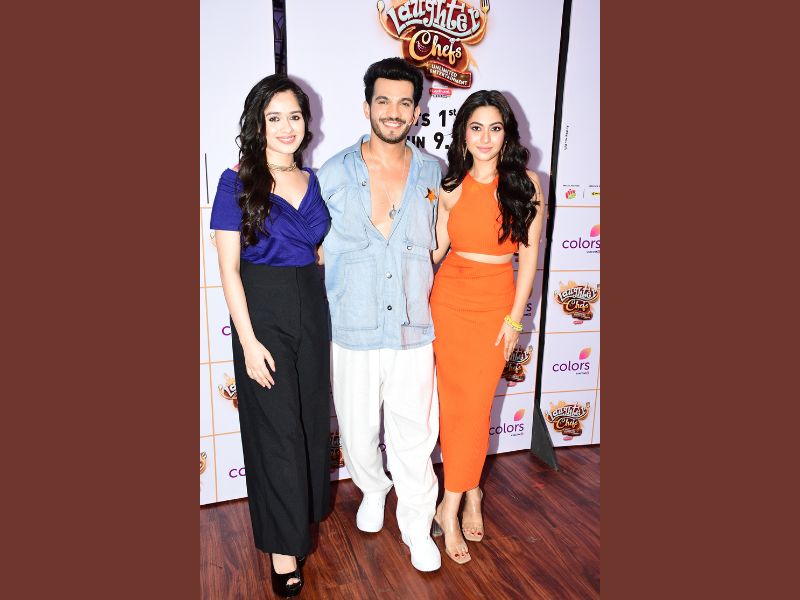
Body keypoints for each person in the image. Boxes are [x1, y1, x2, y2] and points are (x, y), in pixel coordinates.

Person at [317, 57, 442, 572]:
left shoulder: (433, 172)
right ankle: (372, 488)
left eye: (404, 103)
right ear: (366, 106)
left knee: (415, 436)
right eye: (384, 101)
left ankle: (417, 526)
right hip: (353, 327)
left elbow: (438, 242)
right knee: (358, 433)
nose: (394, 111)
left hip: (413, 329)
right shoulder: (333, 173)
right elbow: (312, 245)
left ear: (416, 111)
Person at [210, 74, 331, 597]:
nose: (286, 127)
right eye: (274, 117)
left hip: (313, 311)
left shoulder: (314, 180)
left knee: (307, 425)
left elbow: (319, 249)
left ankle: (301, 519)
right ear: (258, 124)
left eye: (295, 116)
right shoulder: (236, 181)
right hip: (263, 313)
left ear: (307, 122)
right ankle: (283, 550)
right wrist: (248, 340)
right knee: (275, 433)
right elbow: (228, 268)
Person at [430, 90, 544, 564]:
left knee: (475, 409)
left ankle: (449, 506)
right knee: (455, 410)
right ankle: (470, 491)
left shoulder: (526, 184)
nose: (484, 137)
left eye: (494, 128)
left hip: (496, 305)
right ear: (463, 134)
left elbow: (529, 257)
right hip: (448, 302)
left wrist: (515, 319)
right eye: (475, 128)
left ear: (506, 134)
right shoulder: (450, 185)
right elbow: (436, 252)